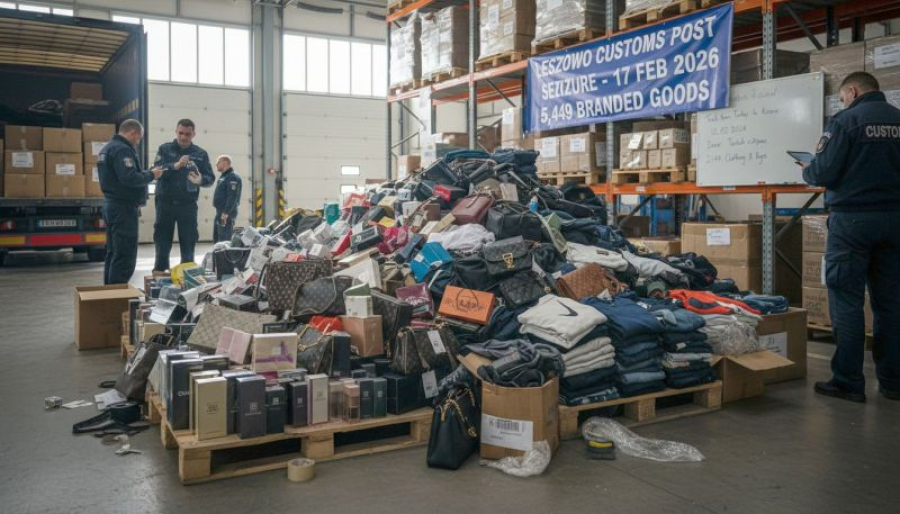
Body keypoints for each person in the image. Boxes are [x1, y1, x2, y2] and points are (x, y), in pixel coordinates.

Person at [802, 71, 900, 403]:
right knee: (891, 303)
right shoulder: (898, 119)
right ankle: (893, 381)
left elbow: (823, 171)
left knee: (846, 300)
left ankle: (848, 381)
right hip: (895, 221)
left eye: (843, 97)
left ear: (853, 91)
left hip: (853, 222)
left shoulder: (845, 122)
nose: (843, 102)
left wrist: (808, 168)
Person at [97, 119, 164, 284]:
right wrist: (152, 174)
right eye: (139, 138)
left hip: (112, 205)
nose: (138, 142)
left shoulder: (107, 148)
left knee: (113, 253)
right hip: (123, 208)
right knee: (124, 256)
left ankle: (109, 292)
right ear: (133, 133)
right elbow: (129, 178)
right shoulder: (122, 150)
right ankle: (117, 295)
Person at [152, 118, 215, 272]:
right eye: (181, 133)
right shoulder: (165, 149)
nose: (183, 137)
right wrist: (175, 165)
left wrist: (201, 180)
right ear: (176, 132)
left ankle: (187, 278)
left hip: (187, 206)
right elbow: (156, 170)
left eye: (187, 134)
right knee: (162, 244)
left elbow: (210, 178)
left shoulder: (200, 154)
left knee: (188, 245)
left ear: (193, 134)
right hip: (165, 204)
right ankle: (160, 275)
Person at [212, 155, 242, 243]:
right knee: (217, 238)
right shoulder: (224, 176)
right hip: (220, 212)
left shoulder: (232, 177)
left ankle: (224, 253)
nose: (216, 164)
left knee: (224, 240)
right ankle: (218, 252)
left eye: (218, 162)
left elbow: (232, 196)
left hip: (226, 213)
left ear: (225, 163)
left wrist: (226, 212)